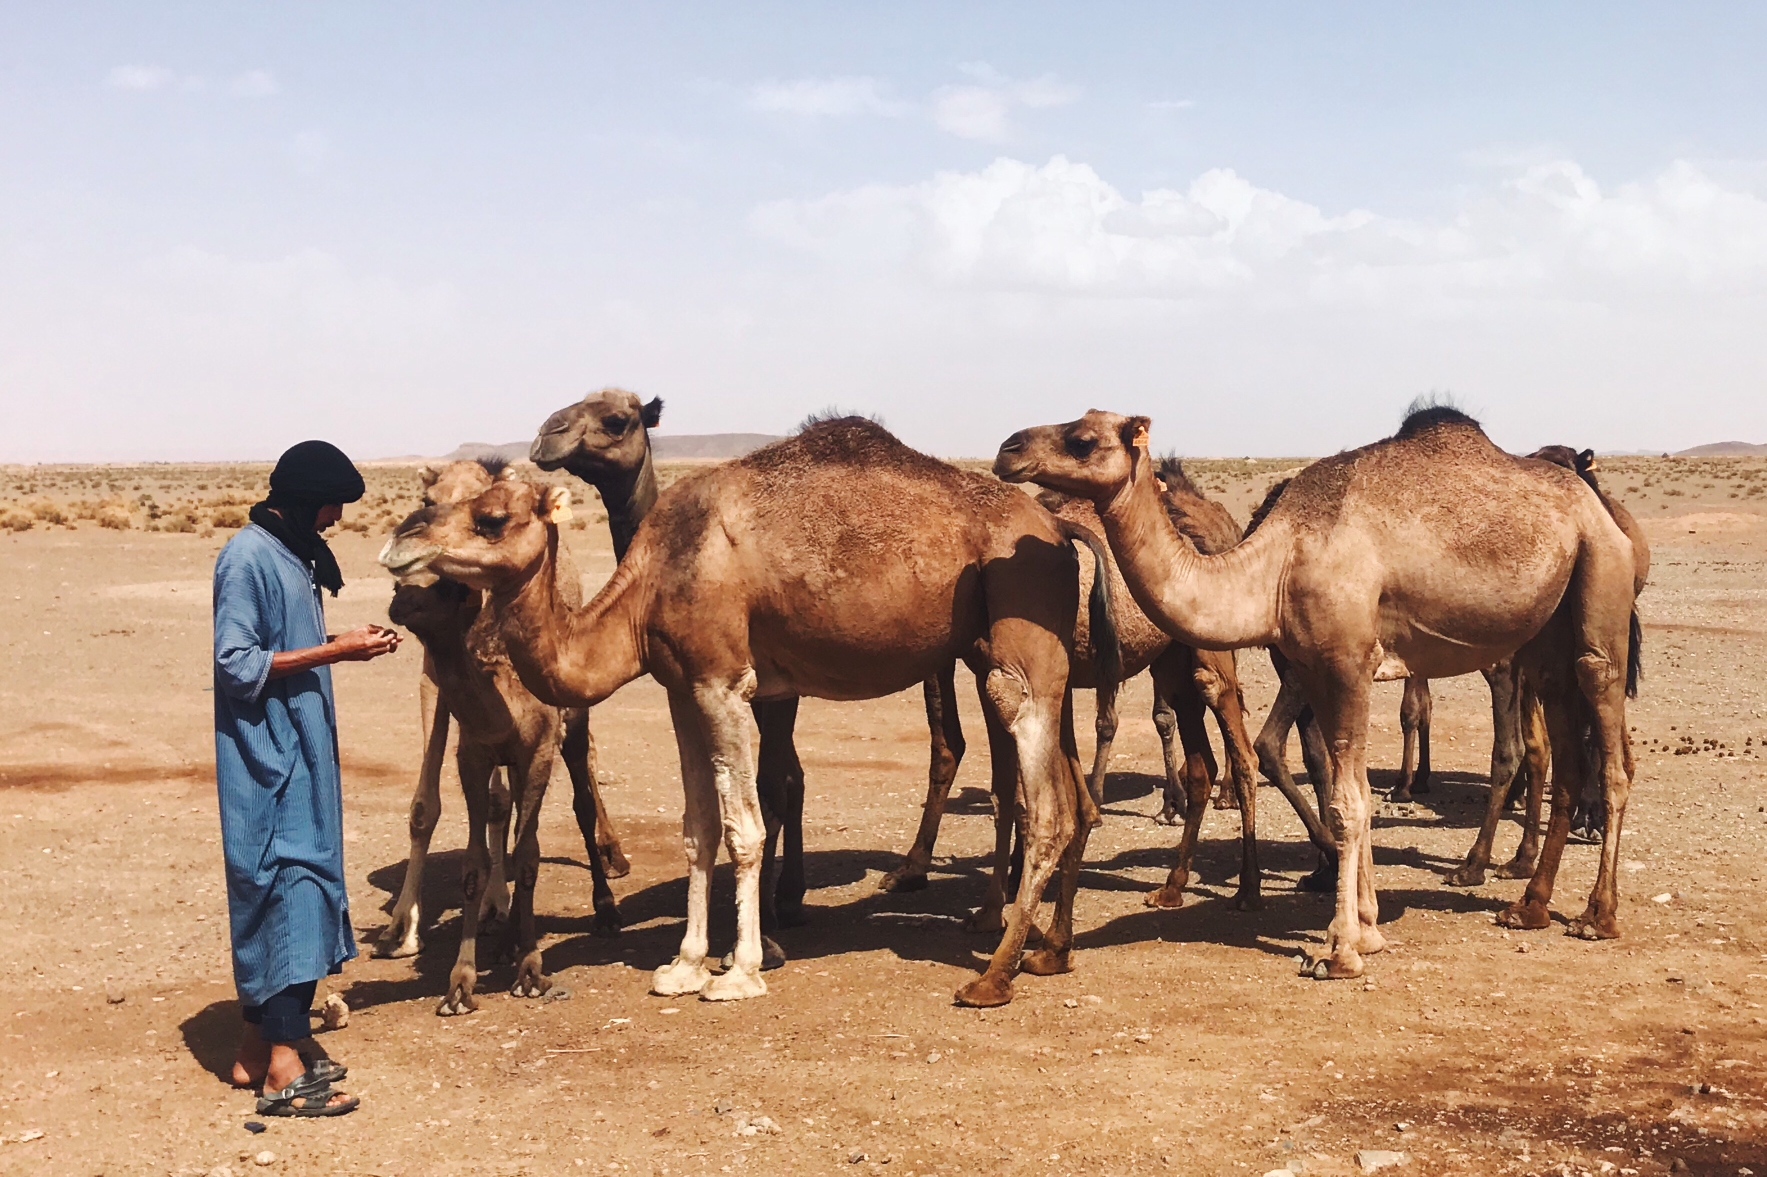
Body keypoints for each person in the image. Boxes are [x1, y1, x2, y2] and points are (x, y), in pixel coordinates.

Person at [212, 440, 400, 1117]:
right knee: (292, 889)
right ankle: (284, 1071)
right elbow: (237, 664)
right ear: (306, 497)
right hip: (270, 761)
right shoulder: (248, 557)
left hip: (300, 755)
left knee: (285, 890)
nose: (334, 519)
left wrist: (339, 641)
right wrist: (338, 651)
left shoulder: (289, 552)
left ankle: (253, 1049)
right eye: (331, 506)